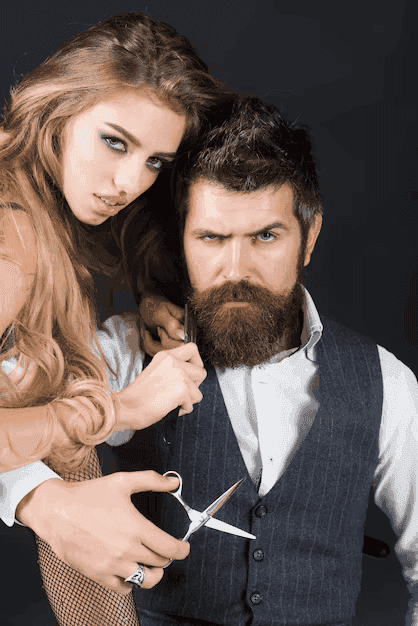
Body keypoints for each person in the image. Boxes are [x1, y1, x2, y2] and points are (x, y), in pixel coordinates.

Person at [93, 97, 418, 624]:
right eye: (211, 238)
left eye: (266, 236)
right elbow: (16, 431)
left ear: (309, 237)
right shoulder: (129, 352)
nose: (236, 269)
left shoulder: (386, 382)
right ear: (182, 241)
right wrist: (43, 501)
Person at [0, 10, 227, 625]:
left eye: (155, 162)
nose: (127, 182)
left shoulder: (43, 211)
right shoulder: (12, 240)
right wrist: (121, 410)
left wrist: (143, 308)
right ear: (59, 109)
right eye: (115, 142)